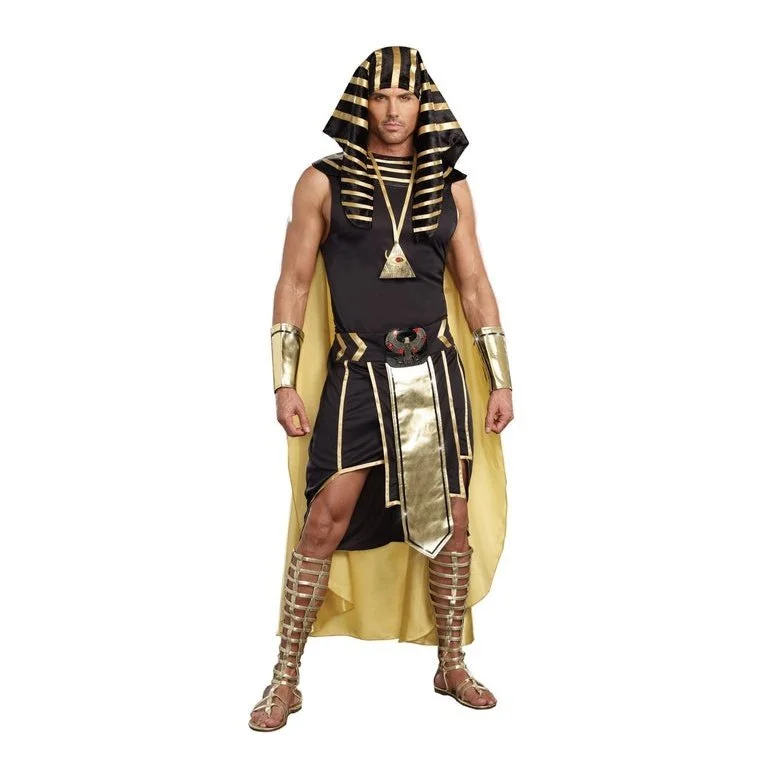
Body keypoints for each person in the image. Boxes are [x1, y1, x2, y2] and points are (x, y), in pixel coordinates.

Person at [249, 45, 514, 732]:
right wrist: (283, 381)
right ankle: (285, 676)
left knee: (451, 523)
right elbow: (294, 282)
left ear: (423, 105)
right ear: (361, 102)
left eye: (405, 97)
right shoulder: (322, 181)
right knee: (323, 519)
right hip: (358, 373)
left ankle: (450, 662)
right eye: (381, 96)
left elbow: (475, 285)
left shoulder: (450, 186)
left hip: (437, 372)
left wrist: (500, 378)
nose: (393, 111)